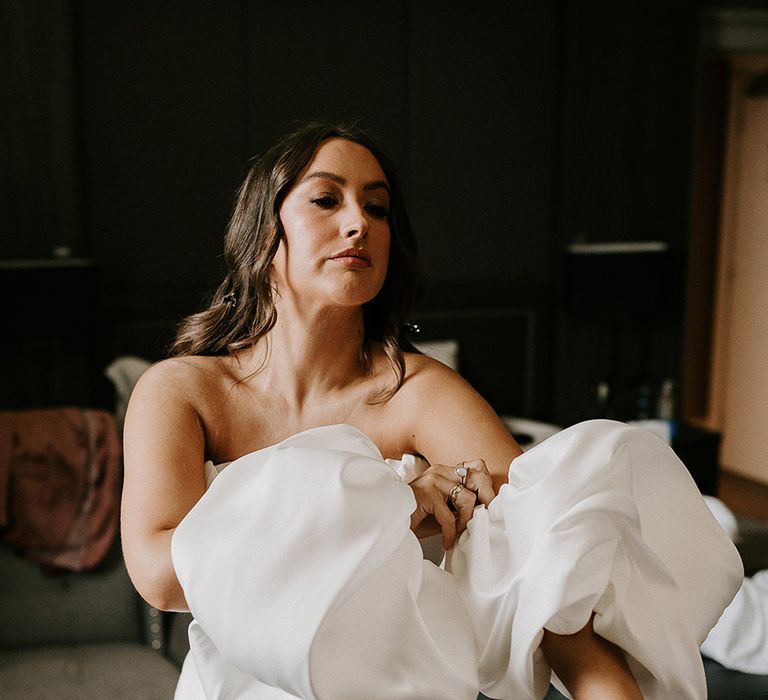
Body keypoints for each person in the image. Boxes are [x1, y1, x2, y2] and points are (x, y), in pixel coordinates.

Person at [121, 123, 740, 700]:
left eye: (377, 207)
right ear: (263, 231)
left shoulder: (420, 393)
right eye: (327, 200)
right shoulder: (182, 392)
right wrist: (384, 503)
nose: (358, 223)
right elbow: (159, 576)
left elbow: (544, 557)